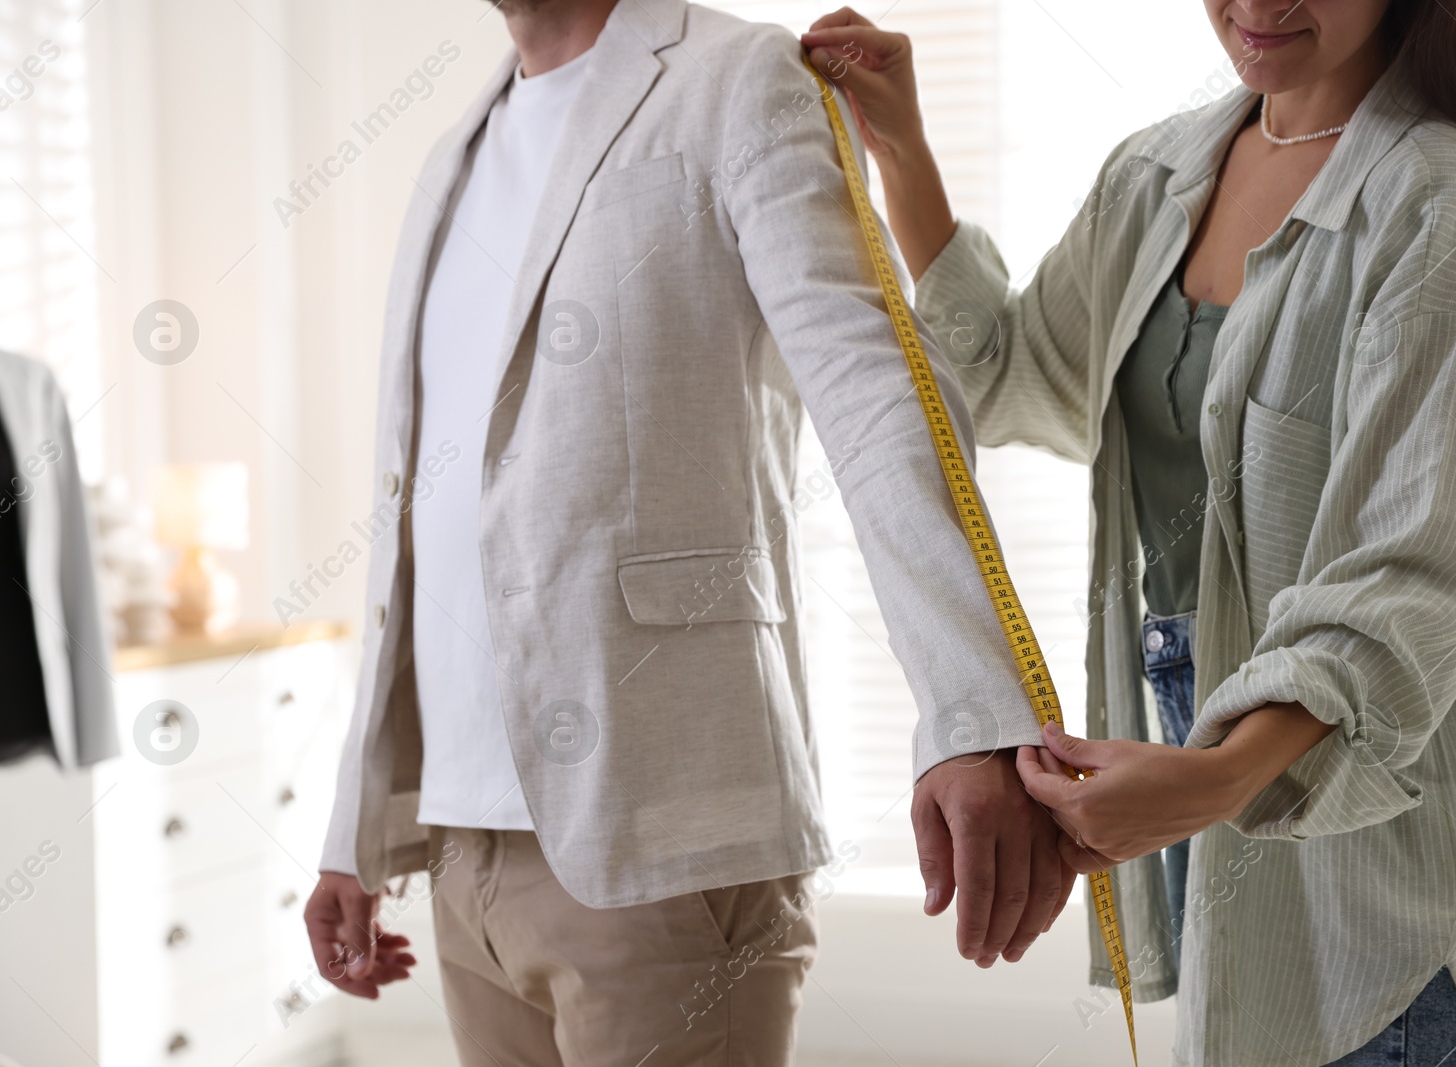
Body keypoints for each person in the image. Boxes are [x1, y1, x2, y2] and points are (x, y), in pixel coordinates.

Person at [304, 0, 1077, 1063]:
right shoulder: (455, 155)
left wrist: (974, 708)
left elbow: (876, 396)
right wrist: (354, 828)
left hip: (663, 843)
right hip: (462, 854)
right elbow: (415, 520)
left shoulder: (738, 79)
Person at [803, 1, 1456, 1065]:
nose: (1260, 5)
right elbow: (1016, 374)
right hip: (1200, 757)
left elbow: (1420, 576)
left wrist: (1212, 778)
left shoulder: (1439, 204)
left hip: (1392, 867)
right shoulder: (1154, 176)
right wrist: (904, 146)